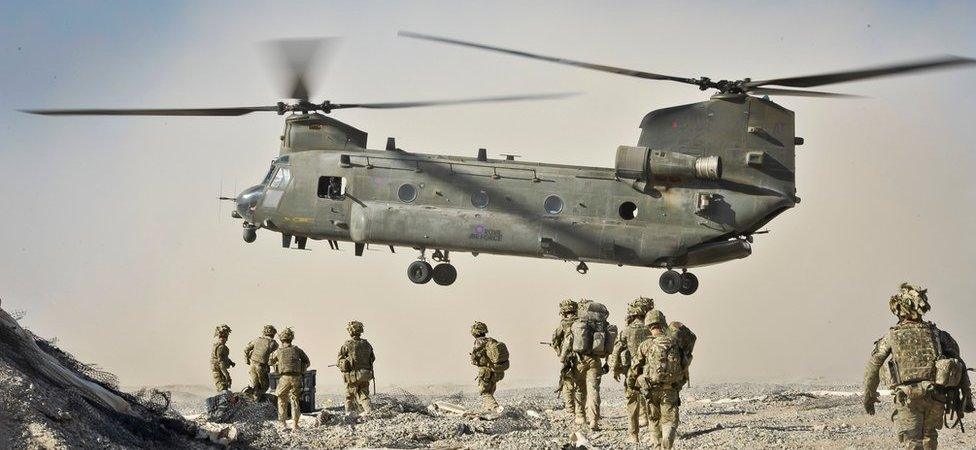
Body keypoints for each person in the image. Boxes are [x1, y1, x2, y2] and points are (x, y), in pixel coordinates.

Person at [863, 282, 974, 449]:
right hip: (936, 396)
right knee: (930, 439)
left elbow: (874, 365)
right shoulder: (938, 334)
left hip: (908, 398)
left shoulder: (891, 336)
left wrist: (869, 396)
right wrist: (966, 399)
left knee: (912, 442)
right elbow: (960, 365)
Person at [631, 310, 683, 449]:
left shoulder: (646, 345)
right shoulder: (675, 343)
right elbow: (684, 365)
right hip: (670, 389)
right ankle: (667, 440)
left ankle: (657, 445)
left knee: (653, 420)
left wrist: (634, 383)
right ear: (663, 324)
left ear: (649, 326)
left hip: (651, 390)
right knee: (670, 421)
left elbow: (635, 367)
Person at [560, 300, 611, 431]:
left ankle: (580, 416)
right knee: (594, 390)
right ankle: (594, 420)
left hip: (579, 361)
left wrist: (563, 358)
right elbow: (608, 344)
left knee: (579, 389)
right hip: (595, 361)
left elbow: (568, 342)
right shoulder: (600, 325)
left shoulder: (577, 324)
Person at [610, 297, 654, 443]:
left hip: (632, 371)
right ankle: (654, 434)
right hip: (651, 372)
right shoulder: (653, 329)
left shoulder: (627, 330)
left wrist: (614, 369)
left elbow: (616, 350)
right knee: (653, 400)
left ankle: (633, 435)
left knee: (632, 402)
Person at [269, 327, 310, 429]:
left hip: (284, 378)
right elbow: (307, 362)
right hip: (296, 378)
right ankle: (295, 425)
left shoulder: (278, 351)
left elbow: (270, 362)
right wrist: (301, 370)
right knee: (295, 400)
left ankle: (283, 424)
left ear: (282, 340)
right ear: (291, 338)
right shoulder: (297, 350)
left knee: (281, 400)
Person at [551, 299, 581, 419]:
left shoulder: (563, 323)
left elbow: (554, 340)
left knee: (567, 383)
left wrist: (560, 353)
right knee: (580, 384)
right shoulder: (582, 323)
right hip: (583, 358)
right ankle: (581, 410)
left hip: (569, 358)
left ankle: (570, 410)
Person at [337, 320, 375, 416]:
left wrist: (344, 364)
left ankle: (349, 416)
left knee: (349, 397)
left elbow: (339, 360)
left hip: (352, 376)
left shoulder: (347, 345)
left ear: (351, 331)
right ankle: (369, 413)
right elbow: (373, 358)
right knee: (364, 396)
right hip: (365, 375)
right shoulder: (367, 344)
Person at [470, 321, 509, 412]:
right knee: (490, 391)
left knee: (485, 392)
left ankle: (495, 408)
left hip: (486, 371)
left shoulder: (478, 342)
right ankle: (489, 408)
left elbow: (475, 359)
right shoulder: (491, 341)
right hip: (497, 370)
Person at [243, 325, 279, 400]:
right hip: (261, 367)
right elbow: (273, 357)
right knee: (265, 386)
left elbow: (246, 349)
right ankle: (256, 399)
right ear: (273, 334)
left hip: (252, 365)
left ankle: (250, 394)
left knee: (255, 385)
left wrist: (247, 360)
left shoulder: (257, 340)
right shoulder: (273, 343)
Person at [210, 324, 235, 392]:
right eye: (222, 336)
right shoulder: (222, 347)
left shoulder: (217, 345)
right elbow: (221, 363)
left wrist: (230, 362)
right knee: (223, 388)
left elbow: (223, 357)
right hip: (219, 370)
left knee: (222, 386)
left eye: (225, 336)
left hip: (217, 369)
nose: (223, 338)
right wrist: (227, 376)